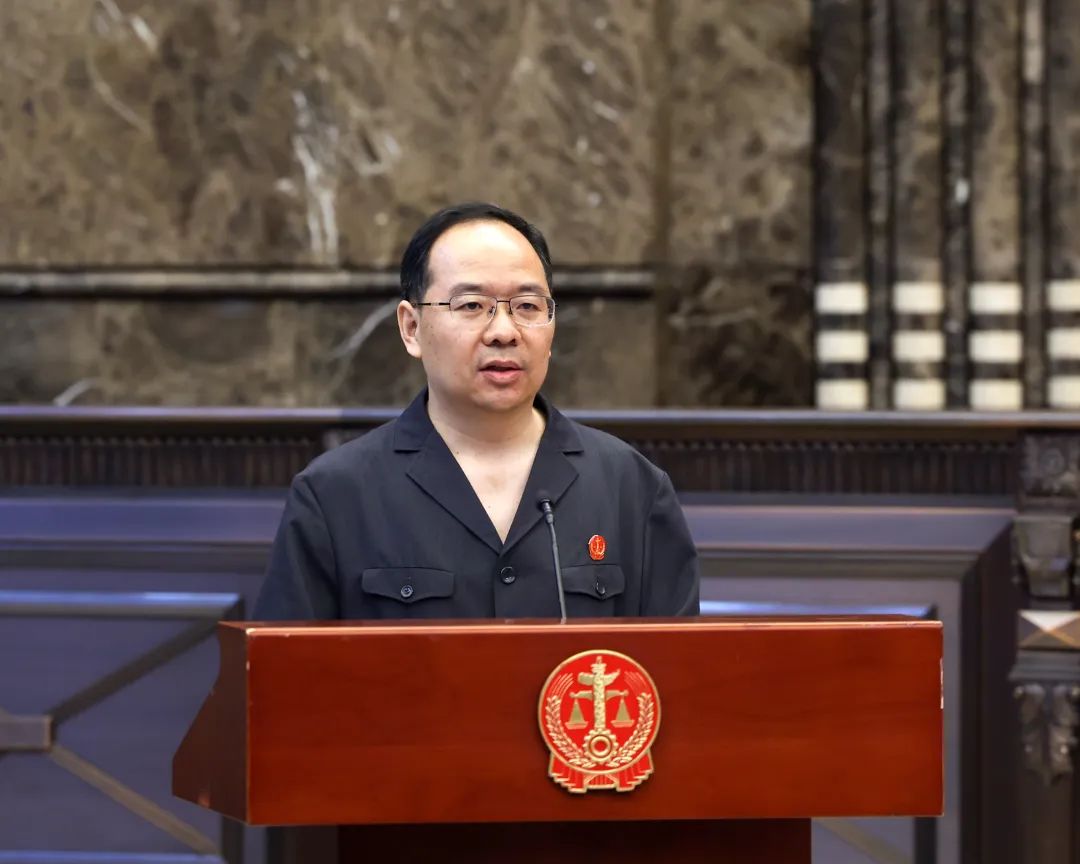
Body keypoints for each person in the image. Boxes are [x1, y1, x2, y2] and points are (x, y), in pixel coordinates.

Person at [253, 202, 699, 620]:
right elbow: (286, 669)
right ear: (411, 328)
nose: (504, 331)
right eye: (471, 306)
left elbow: (678, 667)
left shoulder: (633, 488)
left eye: (527, 306)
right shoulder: (335, 495)